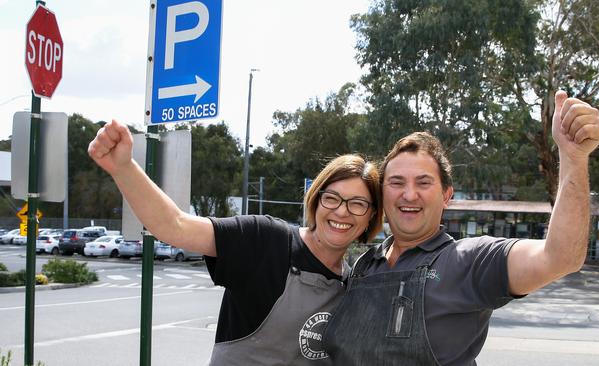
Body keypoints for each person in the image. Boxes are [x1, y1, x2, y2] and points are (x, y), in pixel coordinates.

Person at [323, 90, 599, 365]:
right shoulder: (363, 266)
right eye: (396, 183)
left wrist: (574, 157)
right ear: (383, 193)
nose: (409, 195)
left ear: (447, 196)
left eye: (423, 183)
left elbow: (560, 257)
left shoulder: (471, 260)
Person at [87, 120, 384, 365]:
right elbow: (174, 225)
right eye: (331, 198)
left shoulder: (353, 285)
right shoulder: (264, 240)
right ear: (315, 200)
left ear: (370, 217)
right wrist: (124, 168)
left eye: (357, 204)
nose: (342, 211)